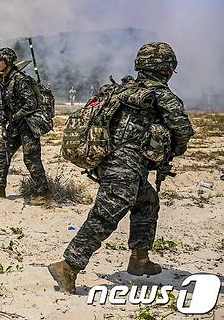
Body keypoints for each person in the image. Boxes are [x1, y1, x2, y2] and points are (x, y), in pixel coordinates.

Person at [48, 42, 194, 294]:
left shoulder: (122, 89)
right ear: (167, 69)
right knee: (106, 215)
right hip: (125, 164)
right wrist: (171, 149)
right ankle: (68, 266)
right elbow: (182, 130)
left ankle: (139, 260)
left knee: (146, 202)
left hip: (109, 159)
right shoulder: (161, 94)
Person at [0, 47, 50, 204]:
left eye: (0, 61)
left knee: (31, 159)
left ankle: (43, 192)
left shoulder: (19, 79)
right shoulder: (6, 79)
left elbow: (31, 103)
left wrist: (16, 116)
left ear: (8, 62)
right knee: (1, 154)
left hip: (27, 126)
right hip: (13, 126)